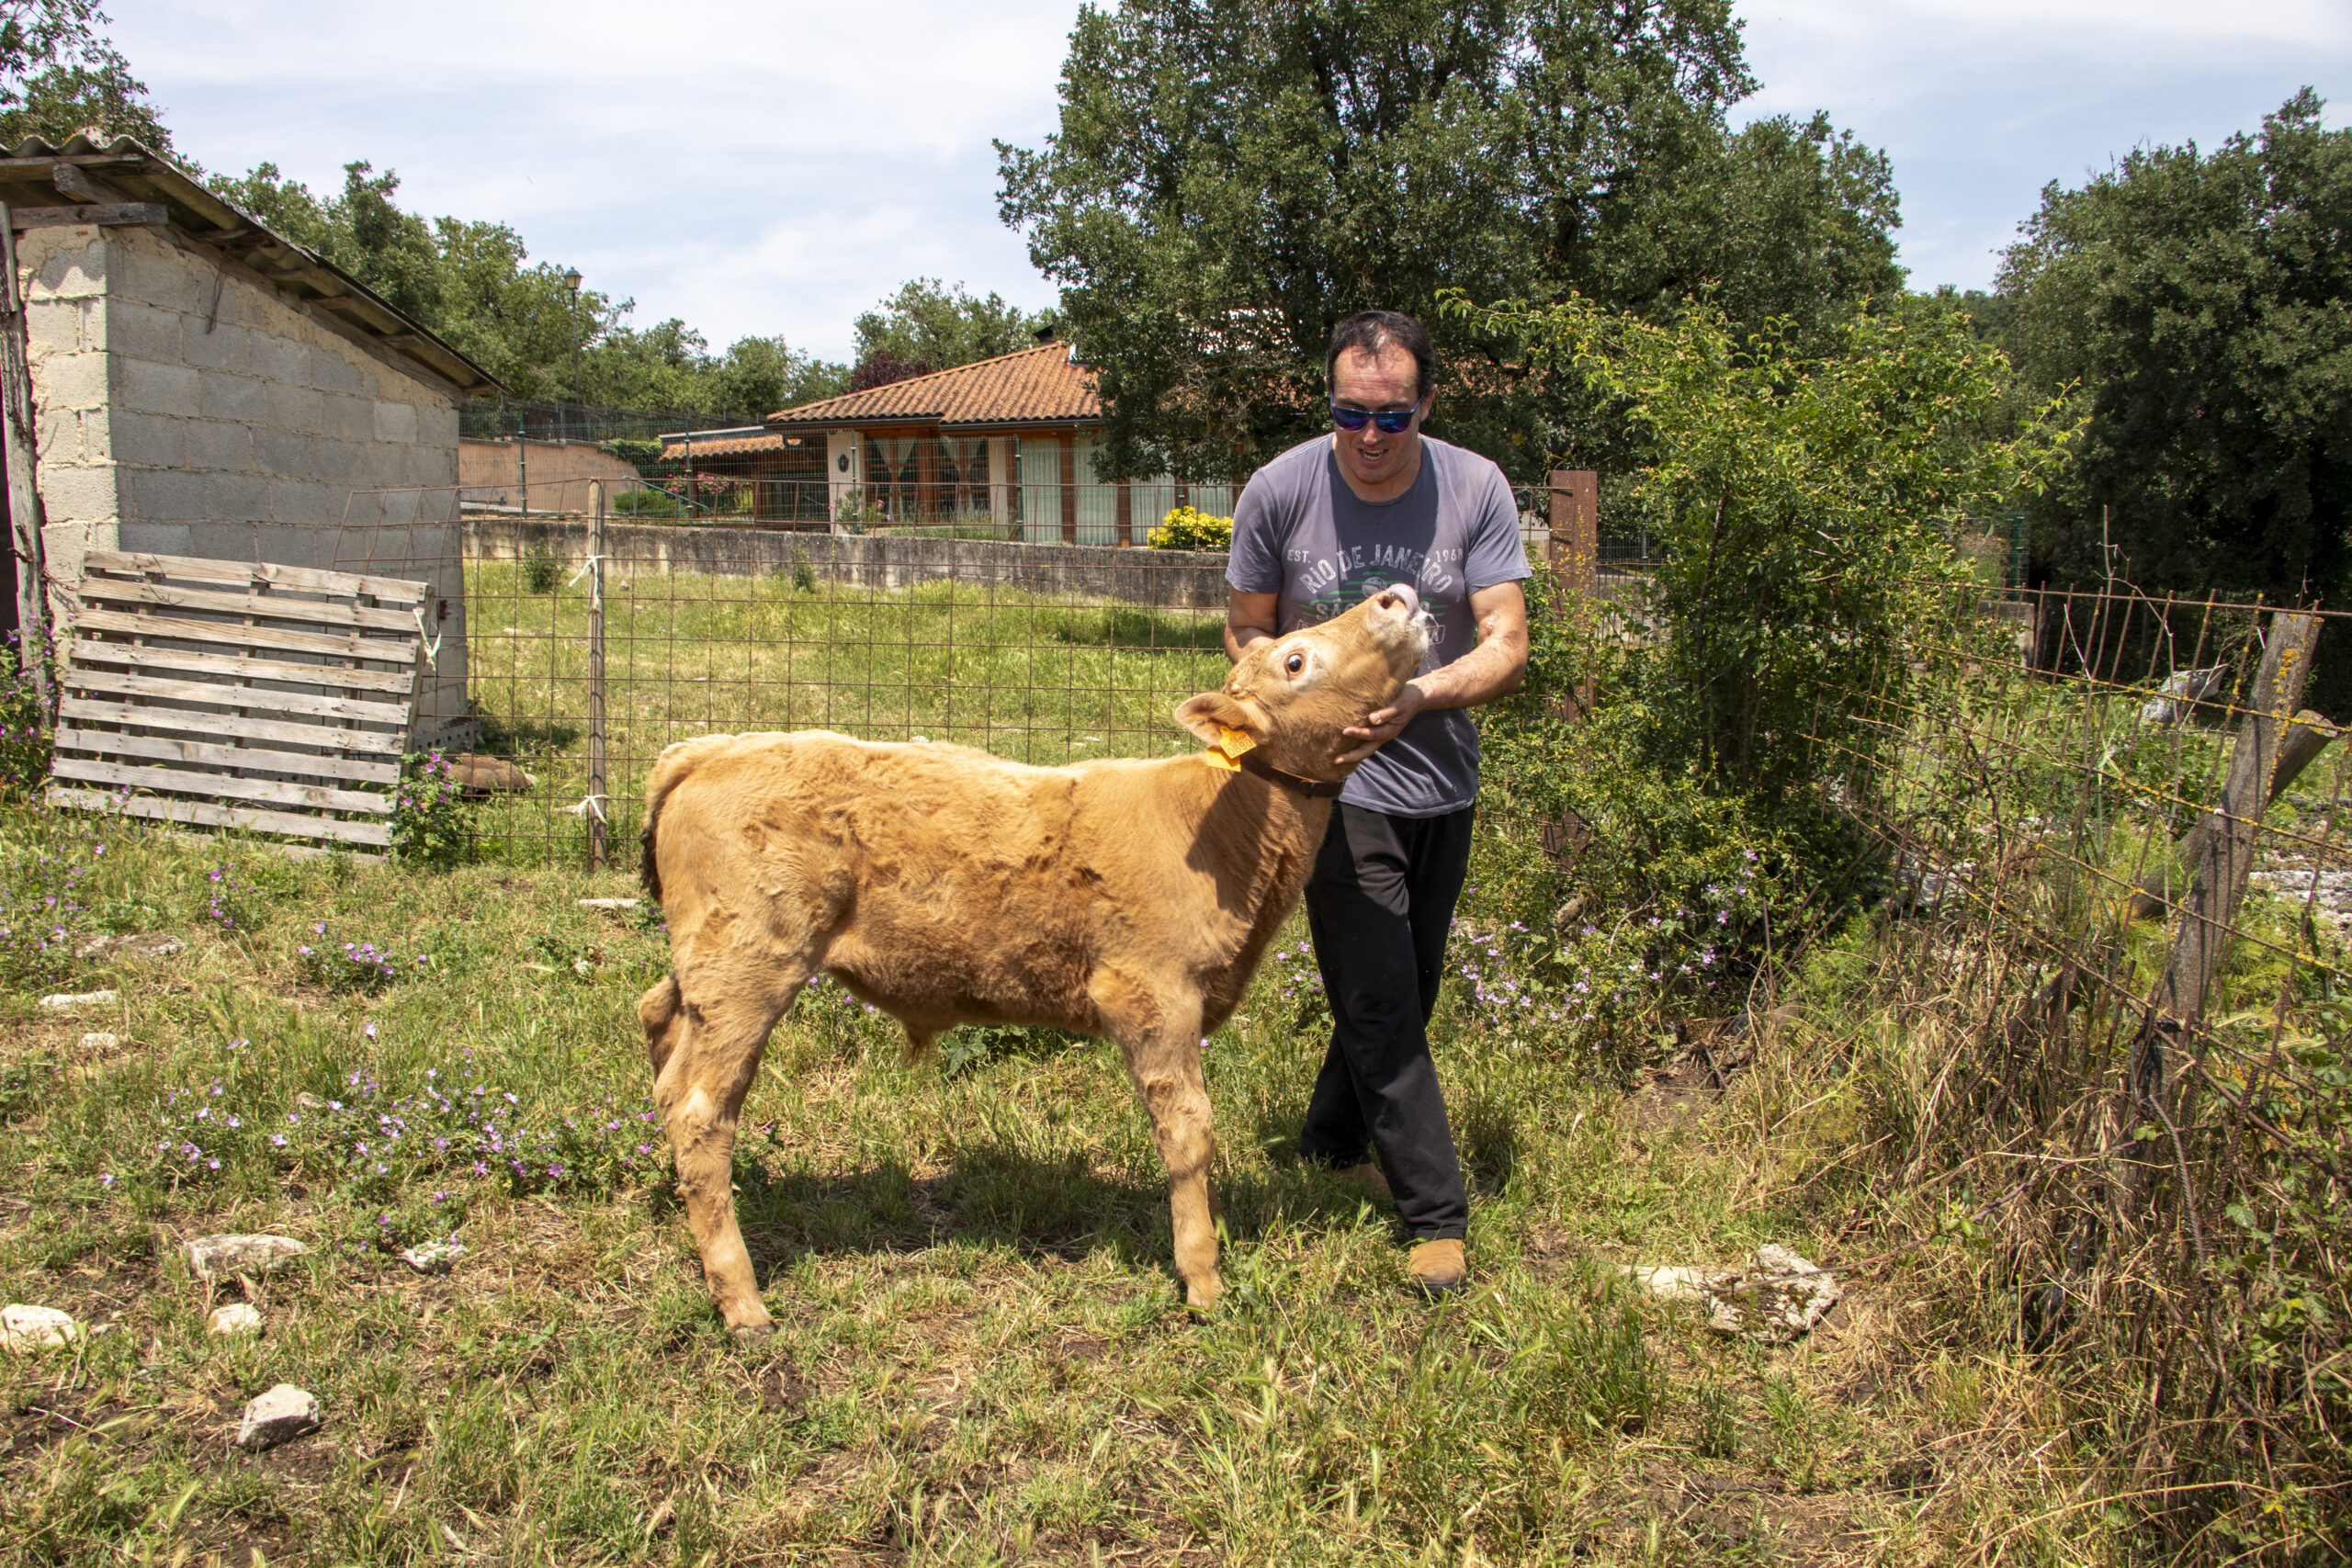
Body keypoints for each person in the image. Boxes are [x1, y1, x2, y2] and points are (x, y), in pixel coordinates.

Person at [1224, 310, 1531, 1294]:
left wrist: (1414, 698)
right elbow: (1245, 631)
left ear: (1425, 404)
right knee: (1381, 997)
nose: (1368, 438)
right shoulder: (1277, 490)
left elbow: (1506, 642)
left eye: (1391, 419)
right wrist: (1307, 709)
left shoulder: (1474, 485)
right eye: (1349, 415)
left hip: (1442, 776)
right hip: (1331, 790)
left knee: (1413, 980)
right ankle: (1432, 1215)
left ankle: (1326, 1137)